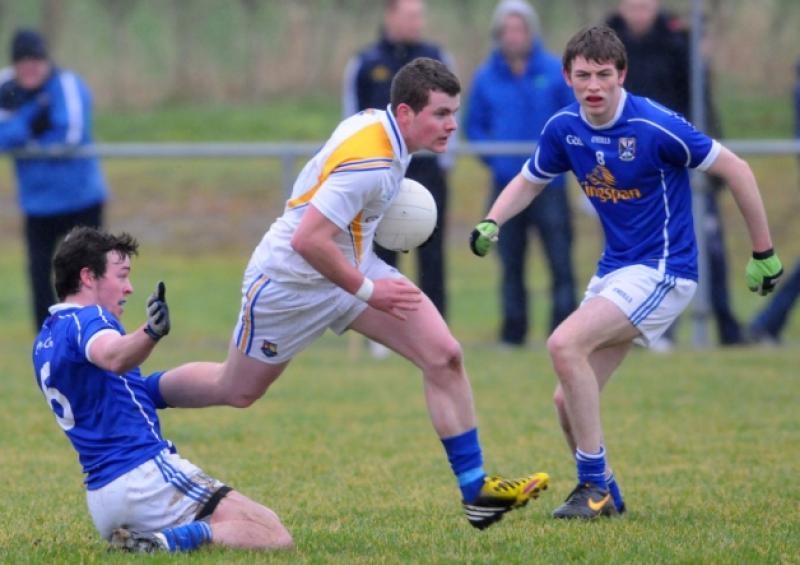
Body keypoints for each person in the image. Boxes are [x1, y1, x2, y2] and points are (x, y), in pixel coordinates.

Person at [155, 58, 548, 531]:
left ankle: (477, 492)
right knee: (235, 389)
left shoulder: (381, 128)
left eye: (454, 112)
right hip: (290, 284)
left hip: (350, 265)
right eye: (441, 114)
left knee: (444, 356)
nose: (451, 125)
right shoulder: (373, 163)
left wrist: (366, 280)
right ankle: (133, 391)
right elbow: (307, 240)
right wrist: (368, 291)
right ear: (405, 112)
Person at [470, 25, 783, 519]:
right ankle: (607, 493)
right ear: (567, 77)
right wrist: (492, 220)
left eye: (603, 75)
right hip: (617, 272)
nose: (593, 85)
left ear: (622, 76)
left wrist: (764, 251)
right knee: (564, 401)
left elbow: (737, 170)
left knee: (562, 344)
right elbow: (530, 182)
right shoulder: (564, 128)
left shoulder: (656, 126)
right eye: (582, 75)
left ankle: (592, 487)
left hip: (664, 270)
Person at [32, 227, 293, 553]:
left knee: (244, 525)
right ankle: (163, 543)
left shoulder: (47, 339)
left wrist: (229, 384)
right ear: (88, 277)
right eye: (121, 275)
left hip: (104, 497)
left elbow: (140, 389)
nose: (128, 288)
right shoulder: (89, 319)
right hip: (143, 477)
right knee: (272, 533)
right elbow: (113, 357)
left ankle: (149, 541)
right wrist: (151, 331)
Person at [608, 0, 743, 347]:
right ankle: (647, 333)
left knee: (707, 245)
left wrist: (710, 165)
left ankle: (726, 326)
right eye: (632, 4)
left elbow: (700, 99)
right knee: (636, 252)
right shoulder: (607, 45)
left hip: (681, 163)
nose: (639, 10)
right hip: (629, 169)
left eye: (645, 3)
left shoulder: (678, 41)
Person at [465, 0, 577, 346]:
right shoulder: (486, 77)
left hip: (551, 187)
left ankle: (566, 330)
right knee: (510, 264)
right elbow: (474, 126)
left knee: (560, 262)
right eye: (507, 30)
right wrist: (497, 162)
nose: (514, 36)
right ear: (499, 35)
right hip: (506, 186)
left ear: (531, 32)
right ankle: (513, 333)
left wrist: (557, 160)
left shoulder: (554, 71)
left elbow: (572, 119)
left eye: (520, 29)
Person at [343, 0, 453, 321]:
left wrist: (444, 161)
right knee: (380, 249)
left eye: (420, 15)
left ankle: (435, 321)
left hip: (427, 170)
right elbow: (352, 116)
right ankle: (382, 323)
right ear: (390, 15)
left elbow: (449, 113)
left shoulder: (437, 58)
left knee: (431, 250)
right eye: (410, 15)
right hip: (380, 173)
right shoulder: (365, 63)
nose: (417, 22)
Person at [0, 28, 108, 331]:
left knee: (89, 274)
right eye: (23, 62)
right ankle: (48, 341)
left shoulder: (68, 85)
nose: (30, 68)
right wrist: (32, 121)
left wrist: (22, 136)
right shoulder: (6, 87)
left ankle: (97, 333)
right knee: (39, 277)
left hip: (80, 201)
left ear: (47, 61)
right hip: (38, 206)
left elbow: (70, 136)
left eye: (36, 61)